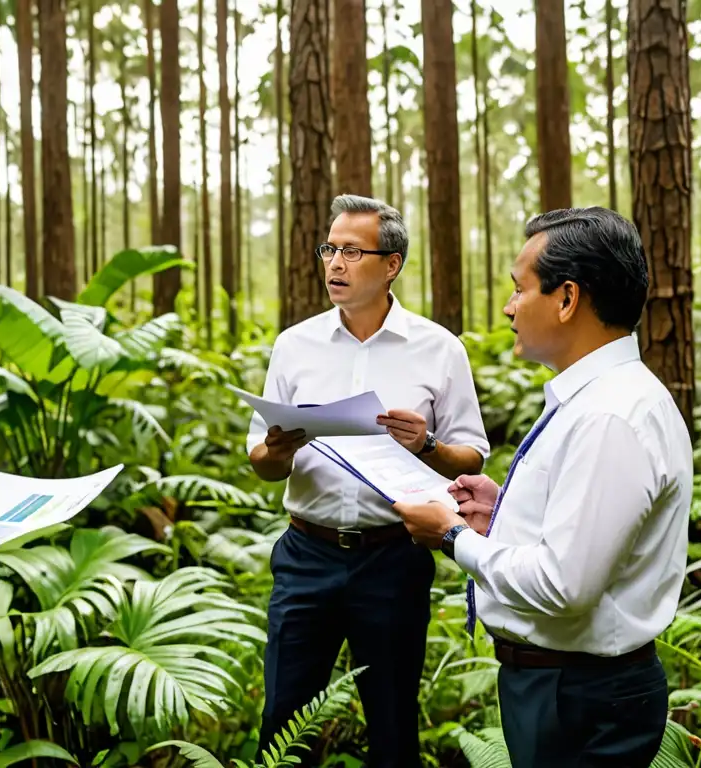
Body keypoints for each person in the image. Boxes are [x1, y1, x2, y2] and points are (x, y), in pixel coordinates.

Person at [394, 207, 692, 767]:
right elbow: (588, 535)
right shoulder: (600, 399)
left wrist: (454, 537)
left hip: (580, 696)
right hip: (567, 686)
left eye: (519, 289)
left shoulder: (611, 416)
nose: (508, 307)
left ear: (567, 298)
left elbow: (564, 584)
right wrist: (501, 511)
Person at [246, 195, 490, 767]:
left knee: (393, 722)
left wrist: (425, 444)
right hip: (306, 552)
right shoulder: (294, 345)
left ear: (392, 265)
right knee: (283, 718)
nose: (334, 263)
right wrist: (278, 450)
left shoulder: (439, 348)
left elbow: (472, 457)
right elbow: (261, 461)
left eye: (352, 251)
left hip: (393, 558)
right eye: (329, 249)